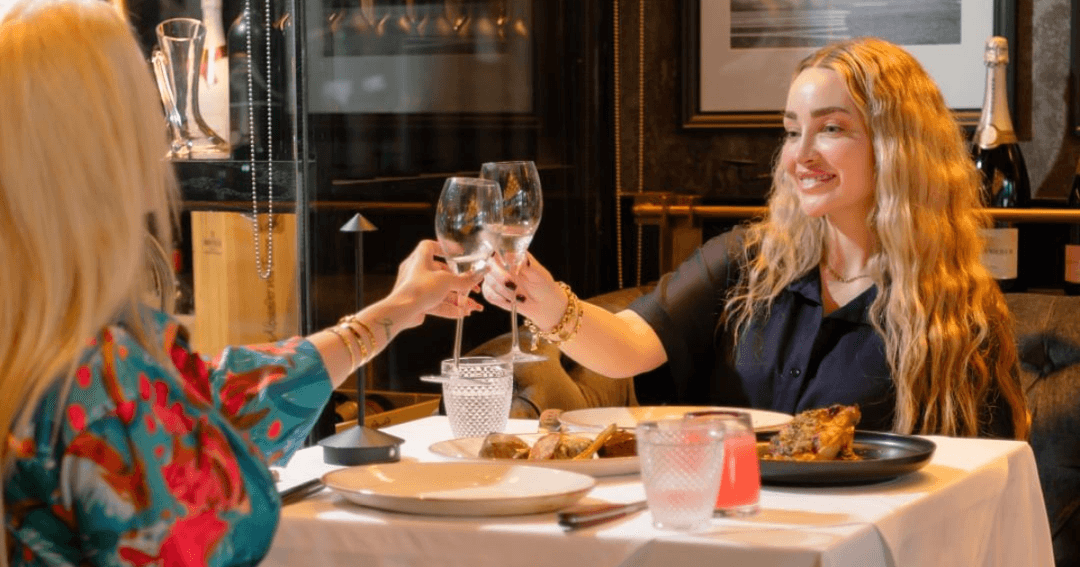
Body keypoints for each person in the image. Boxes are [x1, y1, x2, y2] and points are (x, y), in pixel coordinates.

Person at [0, 0, 484, 564]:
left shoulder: (46, 347)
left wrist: (394, 311)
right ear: (107, 153)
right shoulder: (101, 376)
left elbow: (225, 393)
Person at [483, 37, 1028, 440]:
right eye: (793, 131)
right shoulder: (748, 261)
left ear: (895, 148)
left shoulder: (958, 311)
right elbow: (626, 348)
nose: (801, 154)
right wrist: (547, 300)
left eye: (831, 128)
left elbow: (984, 477)